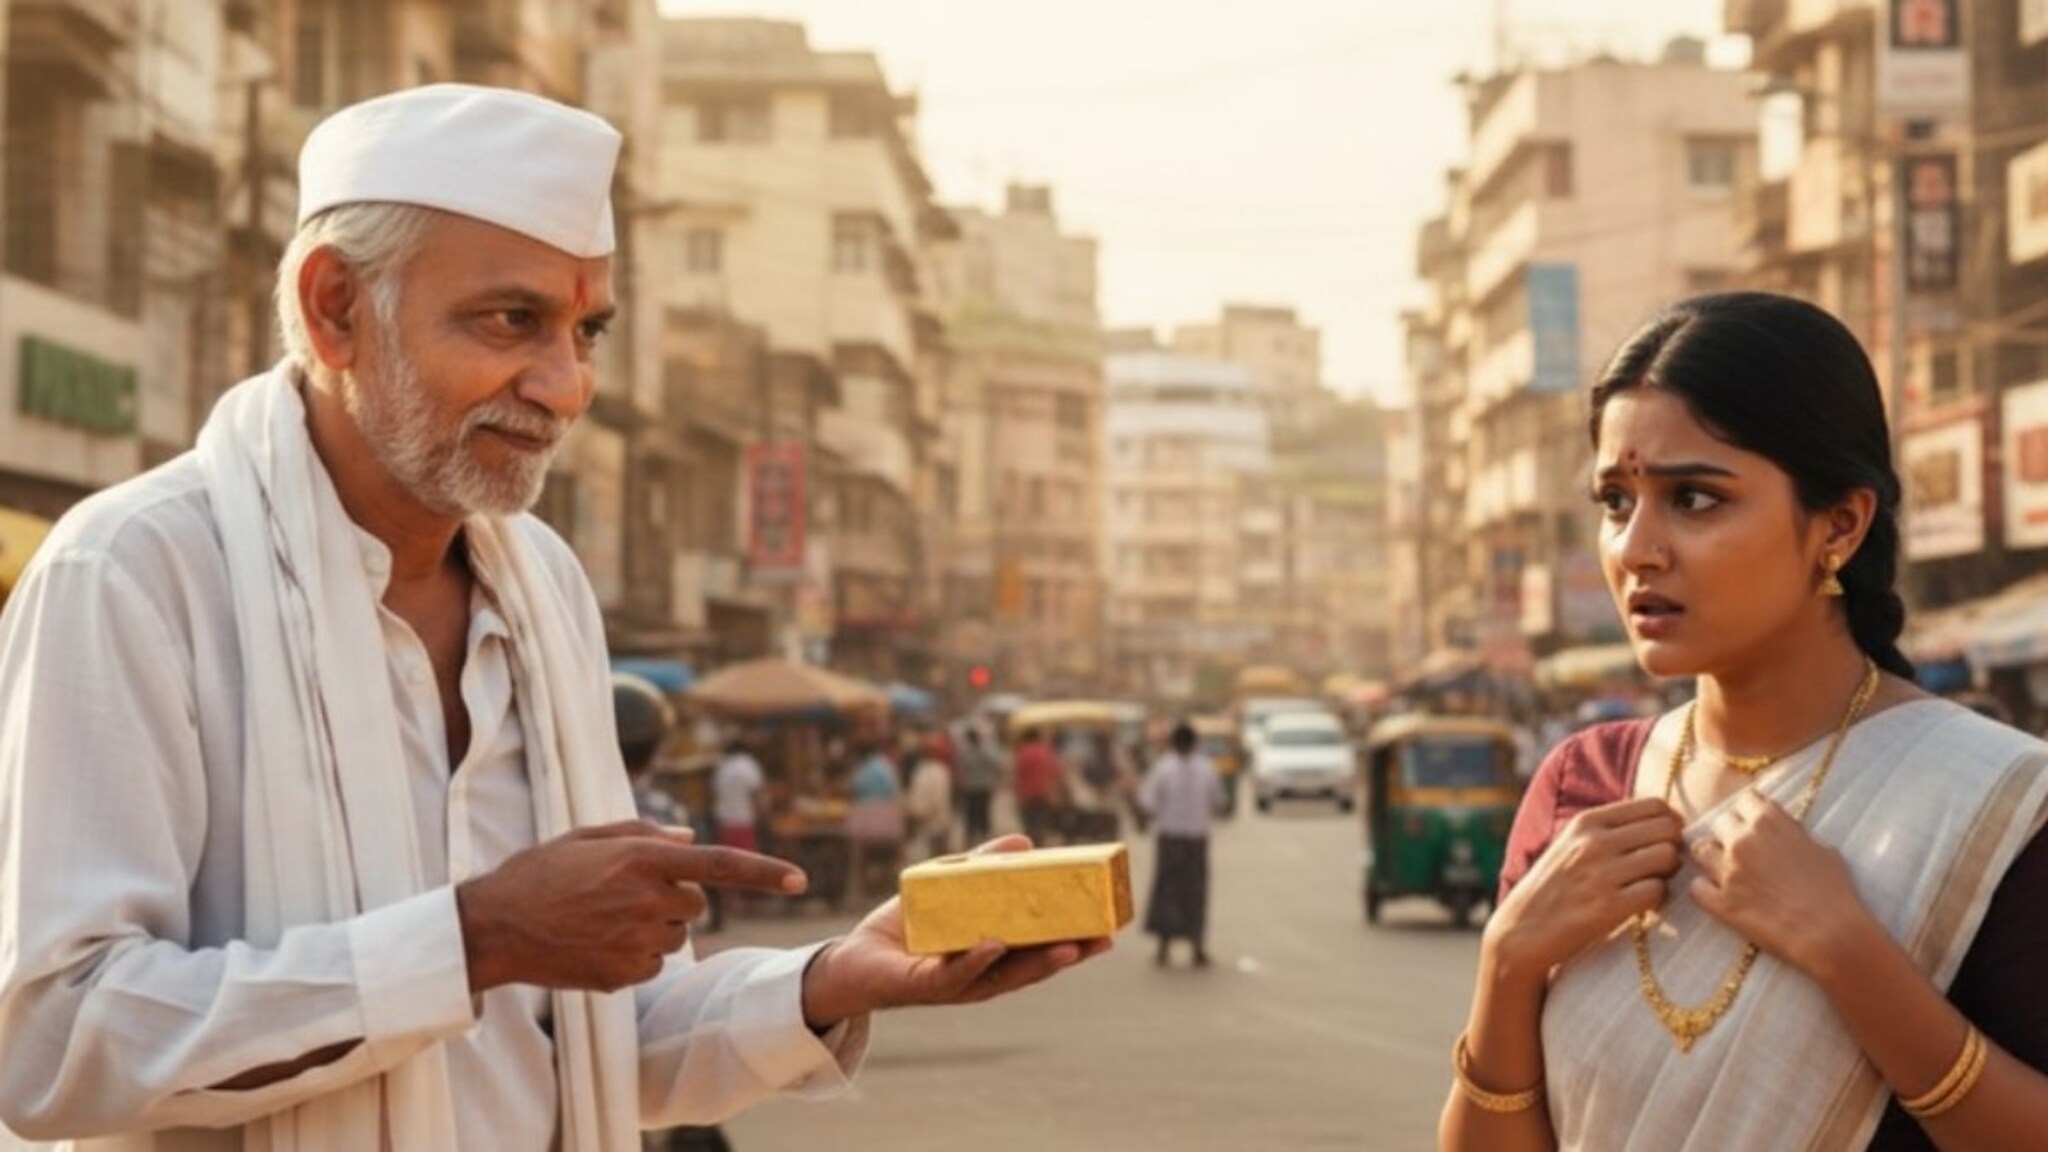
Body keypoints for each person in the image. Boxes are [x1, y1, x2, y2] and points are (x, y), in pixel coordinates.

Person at [0, 84, 1107, 1151]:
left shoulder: (543, 589)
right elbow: (49, 1042)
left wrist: (828, 980)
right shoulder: (136, 574)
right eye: (511, 321)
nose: (565, 385)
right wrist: (475, 938)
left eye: (586, 332)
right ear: (336, 308)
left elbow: (586, 1043)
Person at [1439, 293, 2048, 1152]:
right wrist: (1506, 966)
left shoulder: (1996, 808)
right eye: (1616, 500)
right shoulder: (1587, 786)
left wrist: (1847, 951)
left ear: (1840, 525)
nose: (1636, 548)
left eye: (1693, 498)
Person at [1137, 722, 1227, 969]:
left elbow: (1148, 802)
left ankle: (1170, 947)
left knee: (1171, 892)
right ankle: (1189, 947)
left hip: (1174, 839)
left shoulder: (1163, 768)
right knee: (1190, 892)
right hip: (1190, 839)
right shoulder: (1206, 768)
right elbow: (1218, 802)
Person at [905, 734, 956, 861]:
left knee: (935, 856)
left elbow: (922, 798)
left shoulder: (927, 771)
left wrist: (918, 814)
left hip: (931, 820)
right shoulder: (937, 771)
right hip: (934, 820)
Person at [1013, 727, 1066, 846]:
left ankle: (1031, 845)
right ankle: (1039, 845)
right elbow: (1057, 772)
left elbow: (1018, 776)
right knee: (1041, 823)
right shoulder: (1046, 751)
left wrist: (1017, 796)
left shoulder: (1022, 752)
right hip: (1044, 793)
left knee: (1029, 824)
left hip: (1027, 795)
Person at [957, 725, 1004, 846]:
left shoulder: (966, 753)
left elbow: (962, 769)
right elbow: (997, 766)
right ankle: (983, 836)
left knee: (973, 814)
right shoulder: (985, 752)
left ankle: (973, 838)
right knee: (982, 813)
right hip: (982, 787)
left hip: (972, 788)